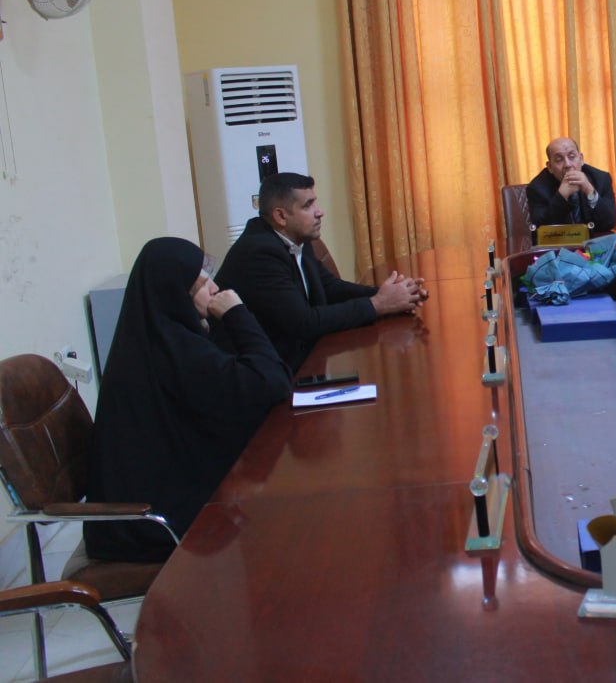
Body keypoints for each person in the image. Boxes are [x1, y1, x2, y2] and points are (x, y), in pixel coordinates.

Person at [86, 237, 292, 562]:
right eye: (202, 283)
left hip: (147, 504)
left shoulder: (154, 336)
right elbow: (272, 383)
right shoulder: (174, 350)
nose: (215, 288)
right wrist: (237, 314)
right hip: (149, 523)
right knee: (282, 514)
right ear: (176, 292)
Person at [215, 172, 426, 371]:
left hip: (297, 357)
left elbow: (329, 287)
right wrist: (378, 304)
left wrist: (393, 295)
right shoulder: (260, 253)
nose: (319, 212)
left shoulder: (295, 237)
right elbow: (304, 323)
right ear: (281, 216)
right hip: (265, 372)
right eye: (308, 205)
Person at [525, 137, 616, 233]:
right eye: (559, 159)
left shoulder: (601, 179)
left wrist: (590, 191)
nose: (567, 164)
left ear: (581, 159)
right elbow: (541, 231)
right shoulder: (537, 188)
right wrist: (561, 196)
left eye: (572, 157)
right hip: (560, 241)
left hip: (595, 241)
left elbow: (610, 222)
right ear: (550, 167)